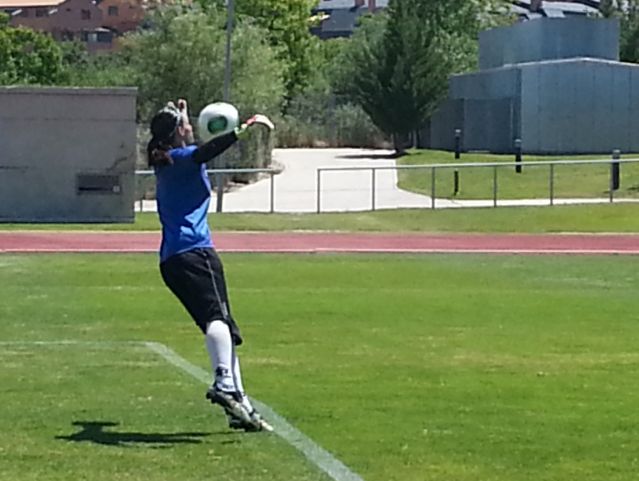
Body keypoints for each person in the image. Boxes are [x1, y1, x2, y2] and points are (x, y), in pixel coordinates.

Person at [147, 99, 273, 432]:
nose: (189, 128)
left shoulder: (167, 160)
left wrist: (182, 117)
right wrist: (243, 128)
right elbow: (207, 151)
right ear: (177, 134)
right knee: (218, 319)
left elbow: (189, 147)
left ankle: (239, 404)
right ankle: (225, 384)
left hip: (172, 260)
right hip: (195, 252)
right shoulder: (185, 158)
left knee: (220, 327)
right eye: (184, 127)